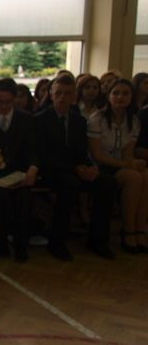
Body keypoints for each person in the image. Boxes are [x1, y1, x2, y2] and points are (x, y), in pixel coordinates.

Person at [34, 75, 116, 260]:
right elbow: (43, 156)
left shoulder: (79, 121)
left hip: (74, 169)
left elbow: (81, 152)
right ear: (51, 94)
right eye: (58, 93)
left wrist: (90, 168)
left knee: (106, 183)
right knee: (70, 184)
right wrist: (75, 169)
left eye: (67, 94)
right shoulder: (40, 119)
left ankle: (97, 240)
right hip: (49, 171)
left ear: (74, 96)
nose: (62, 97)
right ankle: (57, 242)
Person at [88, 79, 148, 253]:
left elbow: (128, 152)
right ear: (109, 96)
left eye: (125, 93)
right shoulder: (97, 119)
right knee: (134, 177)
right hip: (101, 165)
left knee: (145, 175)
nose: (120, 97)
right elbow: (97, 155)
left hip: (120, 163)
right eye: (116, 93)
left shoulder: (134, 121)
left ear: (131, 97)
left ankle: (139, 229)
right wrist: (127, 164)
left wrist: (133, 163)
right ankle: (128, 230)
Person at [0, 78, 39, 262]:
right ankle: (0, 241)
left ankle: (21, 245)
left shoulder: (26, 118)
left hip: (20, 173)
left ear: (14, 99)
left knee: (24, 198)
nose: (4, 106)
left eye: (8, 102)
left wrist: (33, 168)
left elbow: (33, 148)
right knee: (1, 197)